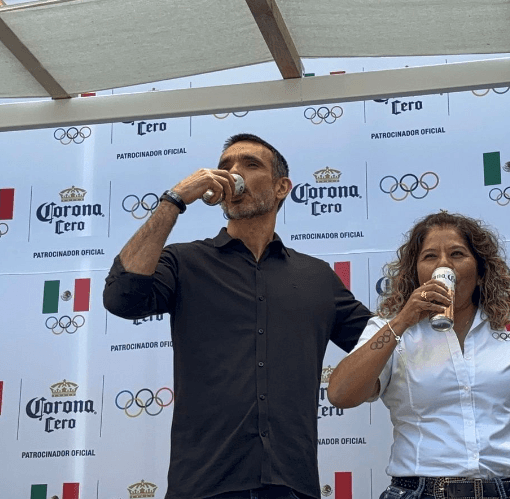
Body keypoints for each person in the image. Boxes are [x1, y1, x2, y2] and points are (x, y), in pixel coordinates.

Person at [103, 133, 373, 499]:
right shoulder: (183, 262)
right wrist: (175, 199)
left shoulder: (318, 277)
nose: (232, 172)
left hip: (291, 485)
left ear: (281, 188)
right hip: (203, 485)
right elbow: (122, 298)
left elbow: (380, 344)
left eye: (250, 164)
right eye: (226, 164)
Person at [327, 211, 510, 499]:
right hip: (423, 492)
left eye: (457, 253)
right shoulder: (391, 328)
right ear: (416, 272)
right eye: (430, 257)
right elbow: (340, 394)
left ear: (480, 269)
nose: (444, 265)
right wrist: (402, 321)